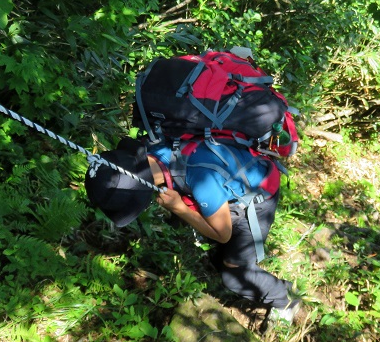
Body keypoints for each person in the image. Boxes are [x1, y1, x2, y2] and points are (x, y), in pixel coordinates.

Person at [84, 136, 300, 322]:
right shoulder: (153, 148)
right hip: (235, 177)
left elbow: (223, 234)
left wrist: (179, 208)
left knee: (234, 274)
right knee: (219, 252)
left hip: (258, 197)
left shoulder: (201, 181)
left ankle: (285, 299)